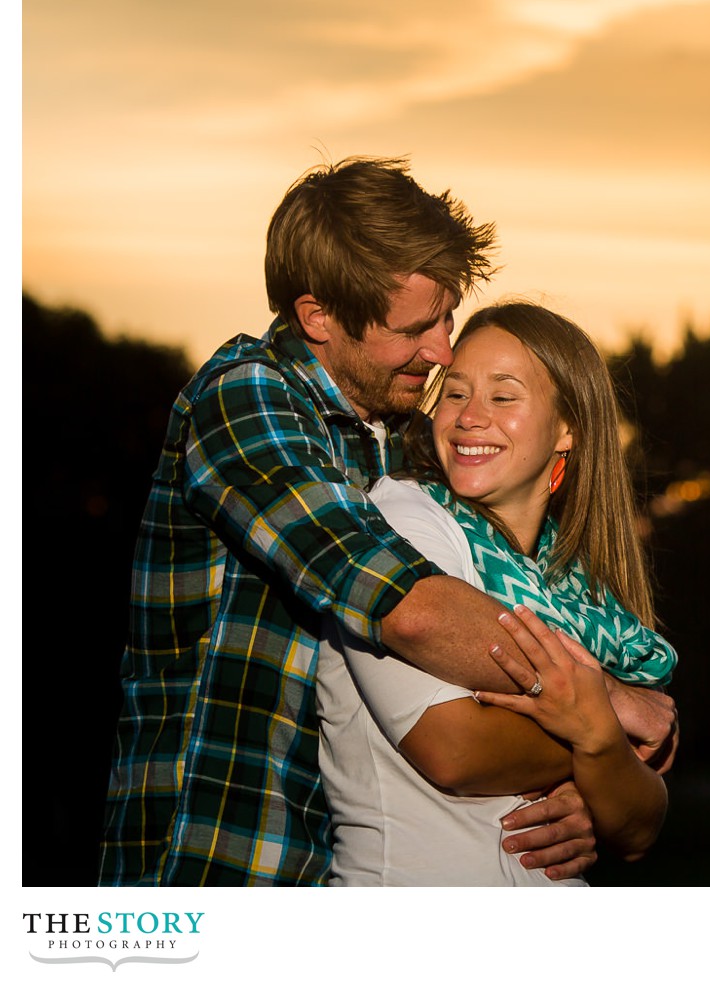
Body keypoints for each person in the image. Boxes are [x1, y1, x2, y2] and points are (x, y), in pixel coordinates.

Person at [99, 157, 676, 886]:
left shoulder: (393, 438)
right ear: (317, 317)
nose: (440, 350)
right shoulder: (246, 401)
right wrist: (607, 715)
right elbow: (404, 607)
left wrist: (590, 781)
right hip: (218, 856)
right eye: (415, 328)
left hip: (326, 868)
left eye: (446, 316)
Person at [317, 301, 674, 885]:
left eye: (503, 397)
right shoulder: (401, 523)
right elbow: (456, 750)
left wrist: (602, 754)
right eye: (455, 394)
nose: (469, 417)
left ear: (569, 428)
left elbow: (637, 830)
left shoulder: (581, 587)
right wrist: (604, 745)